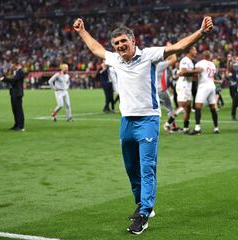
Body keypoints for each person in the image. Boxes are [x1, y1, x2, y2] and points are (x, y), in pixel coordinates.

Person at [73, 15, 213, 234]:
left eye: (123, 42)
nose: (120, 46)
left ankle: (145, 214)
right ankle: (141, 202)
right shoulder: (115, 59)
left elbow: (177, 47)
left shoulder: (148, 55)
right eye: (116, 43)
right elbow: (96, 49)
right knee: (131, 167)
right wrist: (82, 31)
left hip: (148, 120)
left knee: (147, 168)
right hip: (126, 121)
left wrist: (201, 32)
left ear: (133, 41)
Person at [163, 47, 201, 134]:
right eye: (194, 50)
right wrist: (196, 71)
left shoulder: (190, 62)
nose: (196, 51)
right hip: (183, 86)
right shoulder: (185, 60)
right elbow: (183, 72)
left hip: (188, 86)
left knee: (188, 108)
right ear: (190, 51)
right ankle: (168, 123)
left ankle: (186, 128)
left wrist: (195, 74)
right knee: (182, 106)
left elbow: (187, 74)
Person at [189, 50, 219, 135]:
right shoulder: (213, 64)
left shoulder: (200, 63)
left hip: (204, 86)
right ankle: (216, 128)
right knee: (213, 107)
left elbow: (196, 73)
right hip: (212, 86)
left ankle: (197, 127)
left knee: (198, 106)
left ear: (203, 56)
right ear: (209, 56)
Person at [155, 48, 179, 131]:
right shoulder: (160, 65)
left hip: (156, 89)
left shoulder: (154, 65)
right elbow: (174, 59)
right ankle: (172, 126)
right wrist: (172, 48)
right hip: (161, 89)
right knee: (170, 109)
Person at [0, 62, 25, 131]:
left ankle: (21, 126)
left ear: (17, 65)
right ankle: (16, 124)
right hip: (14, 93)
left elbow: (14, 80)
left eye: (13, 65)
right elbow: (13, 81)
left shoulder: (21, 72)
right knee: (15, 110)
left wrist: (4, 79)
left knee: (18, 110)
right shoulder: (16, 72)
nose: (12, 67)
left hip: (17, 93)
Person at [226, 53, 238, 120]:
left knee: (236, 99)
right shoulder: (232, 66)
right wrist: (228, 62)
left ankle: (234, 114)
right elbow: (228, 71)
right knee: (235, 99)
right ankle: (233, 114)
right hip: (233, 85)